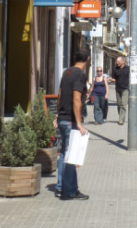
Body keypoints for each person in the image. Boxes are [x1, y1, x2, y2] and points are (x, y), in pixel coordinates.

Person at [54, 48, 90, 201]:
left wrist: (57, 114)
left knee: (63, 154)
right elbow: (76, 99)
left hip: (63, 118)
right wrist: (80, 123)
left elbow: (61, 94)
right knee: (71, 156)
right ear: (88, 59)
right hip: (70, 120)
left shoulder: (67, 72)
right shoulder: (80, 75)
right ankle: (69, 191)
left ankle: (62, 186)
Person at [110, 56, 129, 125]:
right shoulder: (115, 69)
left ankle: (120, 120)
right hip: (118, 89)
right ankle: (122, 117)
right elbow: (113, 78)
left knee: (123, 104)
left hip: (125, 89)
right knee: (119, 104)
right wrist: (111, 80)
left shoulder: (127, 69)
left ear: (122, 61)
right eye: (117, 61)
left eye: (118, 61)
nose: (117, 63)